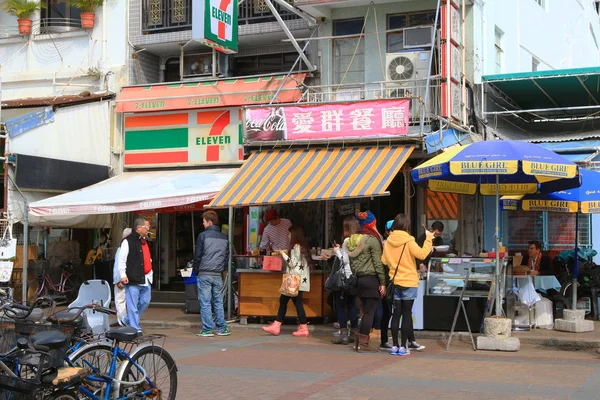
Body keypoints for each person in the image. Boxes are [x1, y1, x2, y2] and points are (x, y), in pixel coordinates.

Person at [382, 214, 433, 356]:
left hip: (395, 282)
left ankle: (394, 346)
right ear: (406, 226)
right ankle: (404, 347)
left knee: (396, 314)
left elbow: (384, 261)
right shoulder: (409, 241)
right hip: (409, 282)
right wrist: (428, 239)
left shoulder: (387, 242)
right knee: (406, 314)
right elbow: (422, 254)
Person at [345, 210, 387, 352]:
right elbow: (378, 263)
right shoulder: (372, 240)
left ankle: (358, 342)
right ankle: (363, 344)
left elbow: (351, 262)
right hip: (371, 279)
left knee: (363, 311)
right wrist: (382, 282)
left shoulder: (352, 239)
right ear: (372, 224)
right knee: (370, 312)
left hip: (358, 279)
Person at [262, 226, 312, 337]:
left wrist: (282, 254)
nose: (288, 236)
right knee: (295, 303)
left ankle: (277, 326)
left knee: (285, 301)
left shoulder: (296, 248)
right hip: (299, 282)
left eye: (289, 234)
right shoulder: (302, 248)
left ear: (294, 235)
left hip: (293, 282)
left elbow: (292, 264)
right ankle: (302, 327)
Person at [193, 210, 231, 337]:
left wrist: (196, 270)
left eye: (203, 221)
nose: (202, 224)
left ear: (209, 222)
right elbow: (226, 256)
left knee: (205, 302)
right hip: (217, 274)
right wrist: (221, 269)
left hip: (204, 272)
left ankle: (208, 328)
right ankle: (222, 328)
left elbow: (197, 255)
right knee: (218, 301)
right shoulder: (224, 237)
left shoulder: (202, 236)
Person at [118, 217, 153, 334]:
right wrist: (122, 275)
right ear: (138, 228)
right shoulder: (128, 241)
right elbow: (121, 259)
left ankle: (127, 320)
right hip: (133, 277)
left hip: (146, 277)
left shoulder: (145, 240)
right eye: (146, 227)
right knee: (132, 304)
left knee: (145, 301)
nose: (148, 229)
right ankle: (135, 328)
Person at [331, 216, 360, 345]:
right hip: (354, 278)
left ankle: (343, 334)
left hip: (344, 279)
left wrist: (337, 251)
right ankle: (354, 332)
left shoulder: (347, 240)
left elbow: (345, 260)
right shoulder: (359, 240)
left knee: (341, 306)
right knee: (353, 306)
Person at [113, 228, 131, 326]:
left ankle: (123, 321)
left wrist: (117, 279)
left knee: (120, 301)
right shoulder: (129, 248)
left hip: (123, 279)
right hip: (127, 279)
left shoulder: (122, 249)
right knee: (124, 301)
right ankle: (124, 320)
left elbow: (117, 266)